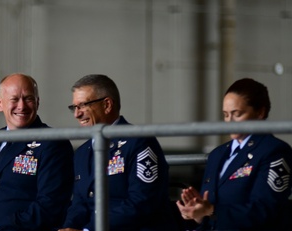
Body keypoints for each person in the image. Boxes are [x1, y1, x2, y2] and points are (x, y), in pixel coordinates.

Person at [60, 74, 175, 231]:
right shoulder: (82, 153)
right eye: (74, 107)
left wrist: (89, 230)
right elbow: (79, 203)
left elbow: (142, 202)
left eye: (83, 105)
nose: (77, 114)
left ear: (107, 105)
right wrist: (69, 227)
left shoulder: (139, 141)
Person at [0, 73, 74, 231]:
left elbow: (49, 207)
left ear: (37, 102)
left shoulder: (53, 142)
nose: (22, 106)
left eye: (28, 99)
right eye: (14, 99)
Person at [177, 78, 292, 230]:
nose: (229, 121)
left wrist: (211, 210)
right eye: (225, 115)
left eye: (237, 114)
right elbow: (210, 218)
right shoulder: (217, 155)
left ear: (260, 112)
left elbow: (265, 211)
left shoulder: (274, 151)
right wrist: (197, 214)